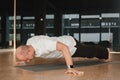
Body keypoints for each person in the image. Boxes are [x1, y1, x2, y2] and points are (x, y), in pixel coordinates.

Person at [16, 35, 110, 75]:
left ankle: (106, 52)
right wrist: (24, 62)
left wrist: (70, 68)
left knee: (89, 52)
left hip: (70, 45)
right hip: (62, 47)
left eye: (26, 59)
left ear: (28, 52)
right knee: (88, 51)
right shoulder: (29, 44)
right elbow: (29, 54)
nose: (27, 60)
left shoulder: (43, 44)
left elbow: (64, 48)